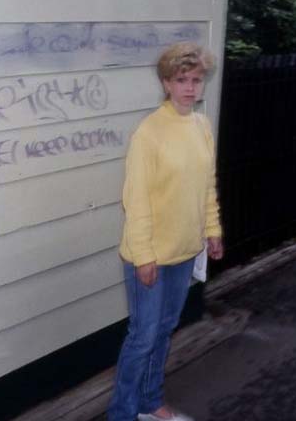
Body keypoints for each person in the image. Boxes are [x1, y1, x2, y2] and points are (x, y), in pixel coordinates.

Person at [107, 42, 224, 421]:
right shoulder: (150, 133)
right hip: (150, 255)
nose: (190, 88)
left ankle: (150, 402)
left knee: (165, 330)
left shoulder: (201, 127)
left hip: (184, 250)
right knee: (142, 338)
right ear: (166, 83)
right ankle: (122, 414)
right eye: (181, 80)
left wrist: (212, 230)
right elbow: (136, 201)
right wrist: (143, 257)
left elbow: (206, 185)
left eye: (196, 80)